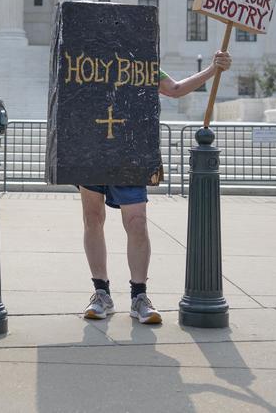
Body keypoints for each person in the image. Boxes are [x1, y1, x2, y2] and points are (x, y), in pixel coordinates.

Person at [79, 51, 232, 325]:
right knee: (92, 219)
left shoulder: (141, 62)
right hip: (91, 149)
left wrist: (212, 69)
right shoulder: (83, 58)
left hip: (130, 152)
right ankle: (101, 292)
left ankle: (139, 296)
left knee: (137, 222)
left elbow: (175, 89)